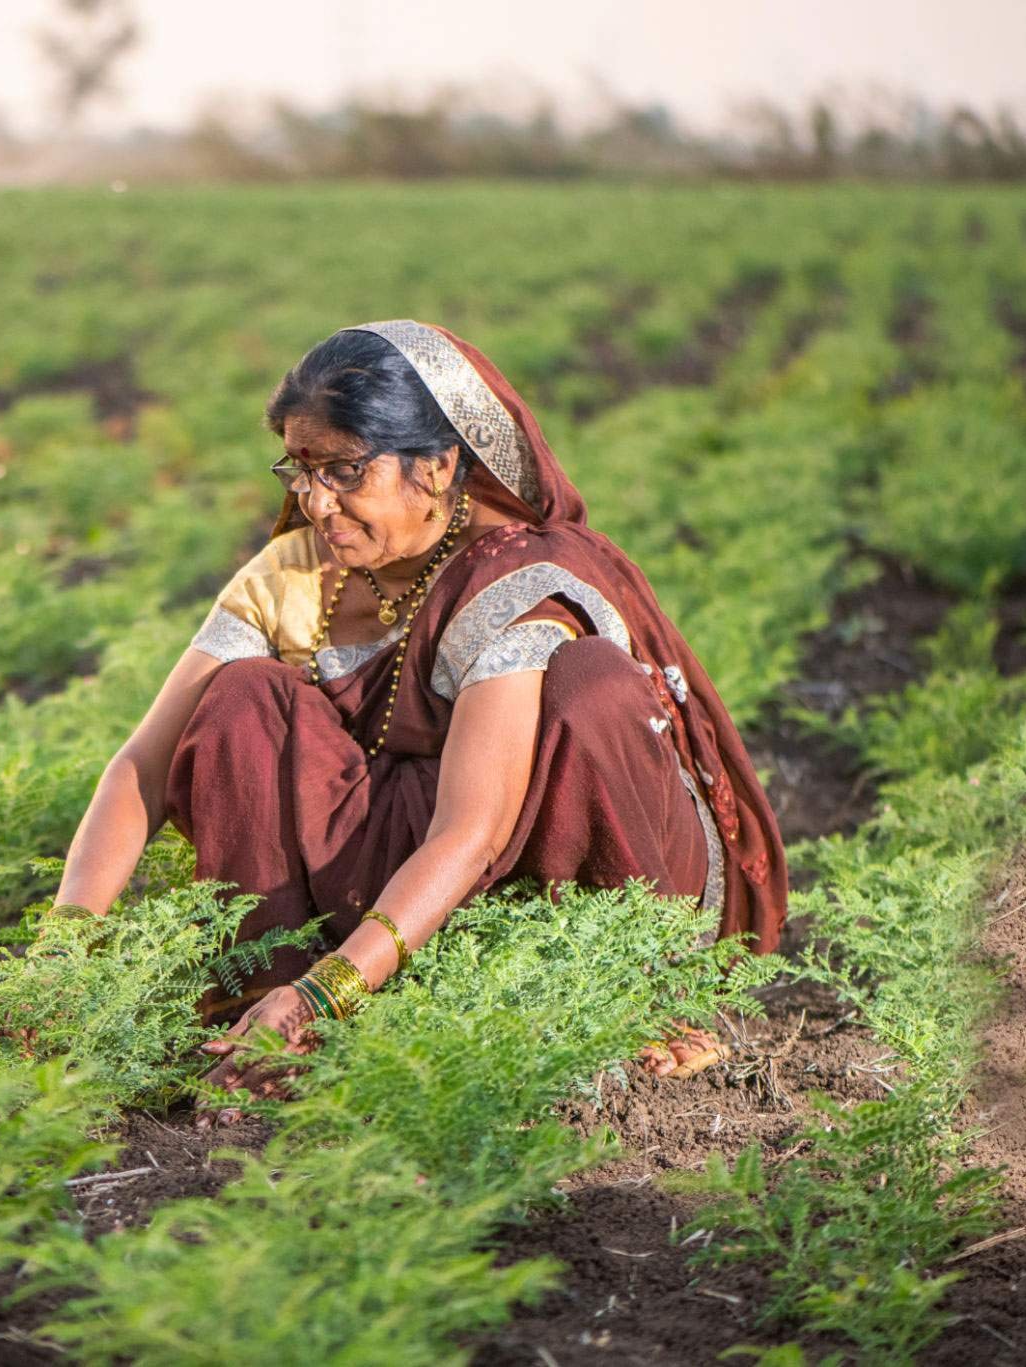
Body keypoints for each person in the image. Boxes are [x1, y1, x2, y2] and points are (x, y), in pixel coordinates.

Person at [44, 320, 788, 1129]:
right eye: (301, 471)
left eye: (344, 471)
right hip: (385, 873)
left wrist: (325, 994)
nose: (316, 502)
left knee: (591, 689)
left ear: (435, 467)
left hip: (518, 876)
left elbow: (471, 832)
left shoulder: (512, 580)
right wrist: (59, 960)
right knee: (242, 699)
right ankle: (265, 1000)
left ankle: (625, 993)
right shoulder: (292, 576)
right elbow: (140, 770)